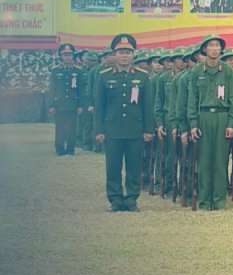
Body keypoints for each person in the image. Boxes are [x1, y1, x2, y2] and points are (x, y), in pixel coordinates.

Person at [94, 35, 155, 212]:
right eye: (121, 52)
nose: (124, 56)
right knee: (113, 167)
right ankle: (115, 199)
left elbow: (147, 105)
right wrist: (98, 130)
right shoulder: (104, 76)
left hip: (135, 129)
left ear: (133, 55)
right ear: (114, 55)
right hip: (112, 129)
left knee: (134, 166)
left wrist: (148, 129)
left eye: (128, 52)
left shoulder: (142, 77)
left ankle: (131, 199)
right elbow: (99, 106)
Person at [186, 34, 233, 210]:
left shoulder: (228, 71)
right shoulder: (196, 72)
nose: (215, 49)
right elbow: (192, 100)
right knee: (204, 161)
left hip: (222, 117)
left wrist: (231, 123)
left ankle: (218, 200)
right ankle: (204, 200)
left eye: (217, 45)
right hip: (203, 117)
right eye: (211, 45)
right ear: (204, 49)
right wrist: (193, 124)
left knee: (220, 161)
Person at [48, 43, 84, 156]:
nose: (68, 57)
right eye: (65, 55)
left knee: (72, 129)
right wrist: (51, 105)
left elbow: (81, 90)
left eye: (70, 55)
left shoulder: (78, 71)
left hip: (73, 104)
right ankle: (59, 149)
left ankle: (70, 149)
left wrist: (80, 105)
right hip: (59, 104)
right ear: (61, 56)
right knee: (60, 128)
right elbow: (52, 89)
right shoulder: (55, 71)